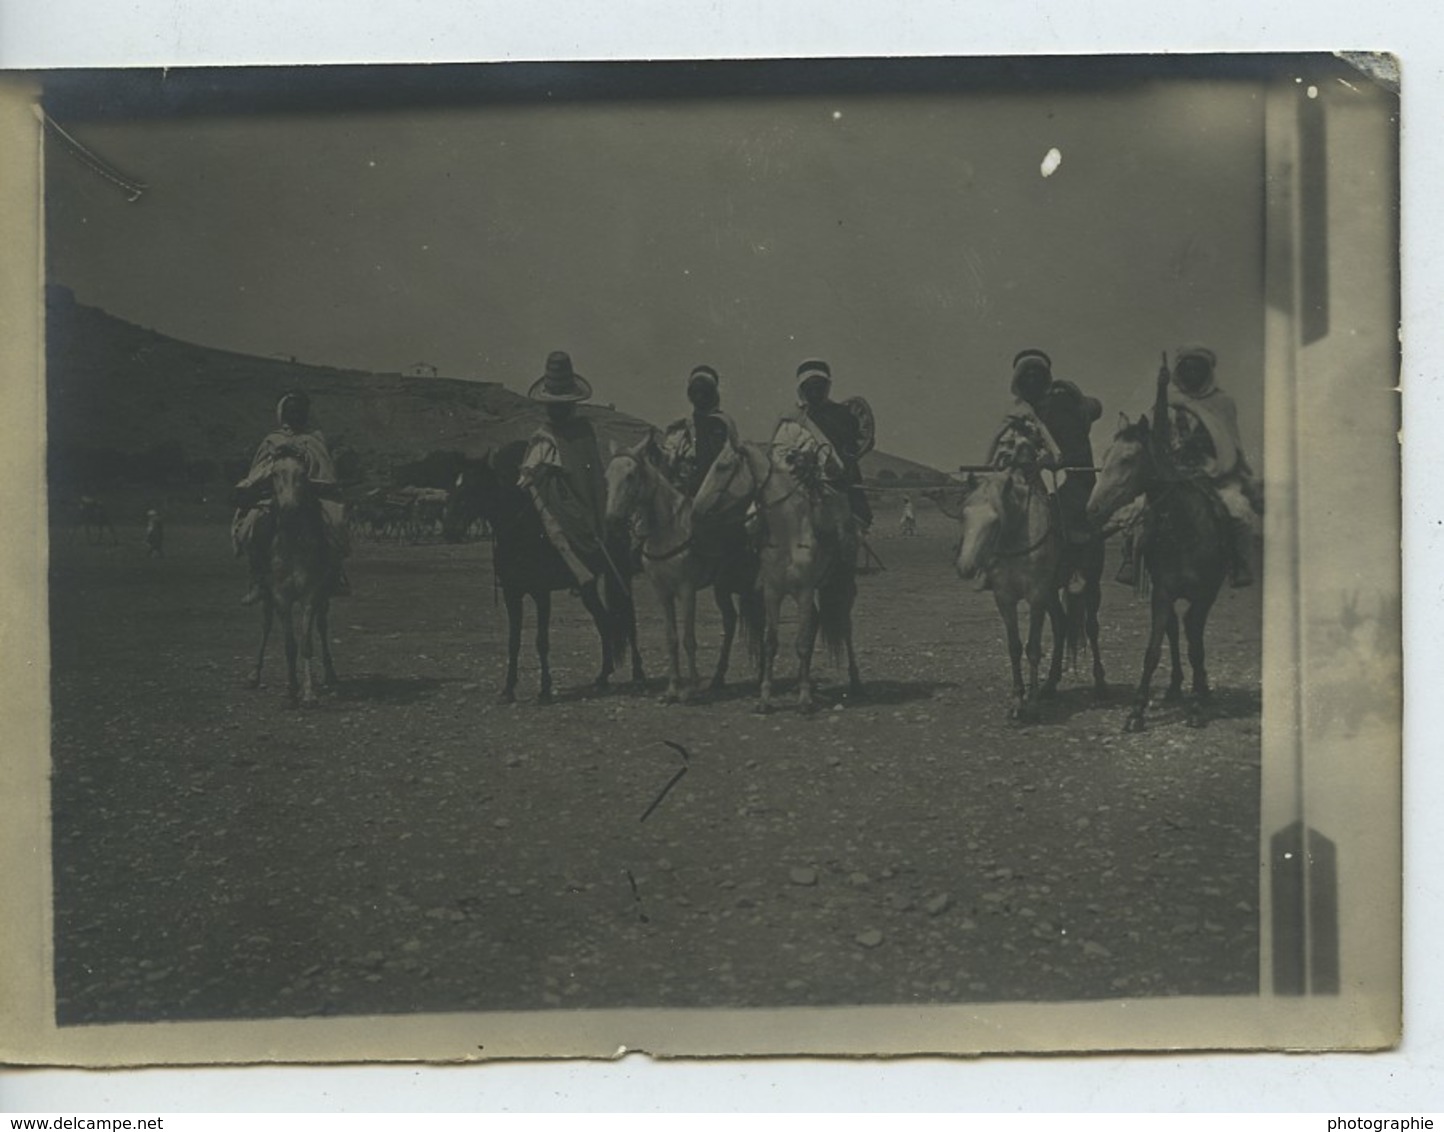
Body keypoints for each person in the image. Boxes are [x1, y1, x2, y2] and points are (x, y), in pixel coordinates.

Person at [1117, 344, 1262, 588]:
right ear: (1179, 372)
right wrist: (1161, 390)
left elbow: (1229, 441)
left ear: (1207, 373)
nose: (1192, 373)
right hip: (1173, 471)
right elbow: (1157, 432)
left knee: (1238, 510)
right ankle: (1131, 563)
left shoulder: (1222, 402)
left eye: (1198, 369)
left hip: (1210, 471)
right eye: (1187, 368)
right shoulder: (1169, 402)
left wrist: (1234, 466)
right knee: (1136, 511)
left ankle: (1240, 565)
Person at [986, 349, 1103, 589]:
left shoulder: (1062, 400)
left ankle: (1075, 569)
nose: (1031, 379)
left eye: (1036, 373)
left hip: (1070, 473)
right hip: (1031, 473)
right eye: (1025, 375)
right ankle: (990, 566)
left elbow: (1075, 444)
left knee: (1067, 512)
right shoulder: (1021, 409)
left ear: (1045, 376)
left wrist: (1054, 460)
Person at [232, 390, 351, 604]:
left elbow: (325, 473)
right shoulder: (271, 440)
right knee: (252, 526)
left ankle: (335, 576)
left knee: (336, 522)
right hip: (274, 498)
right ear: (283, 414)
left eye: (300, 411)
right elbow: (258, 472)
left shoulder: (314, 440)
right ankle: (258, 581)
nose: (296, 415)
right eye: (291, 411)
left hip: (311, 497)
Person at [517, 350, 618, 589]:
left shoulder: (579, 432)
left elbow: (527, 476)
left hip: (574, 501)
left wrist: (530, 477)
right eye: (553, 407)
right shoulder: (548, 435)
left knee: (551, 525)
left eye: (561, 406)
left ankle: (576, 568)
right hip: (571, 496)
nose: (557, 411)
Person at [772, 358, 873, 530]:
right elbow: (778, 454)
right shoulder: (791, 419)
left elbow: (854, 450)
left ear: (827, 387)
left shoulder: (843, 415)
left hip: (837, 488)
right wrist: (796, 462)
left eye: (820, 386)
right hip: (798, 489)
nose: (815, 391)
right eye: (810, 386)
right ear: (802, 389)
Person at [658, 365, 737, 498]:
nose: (700, 397)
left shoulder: (724, 425)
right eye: (696, 392)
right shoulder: (681, 428)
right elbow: (668, 460)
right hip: (680, 492)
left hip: (715, 493)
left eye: (704, 392)